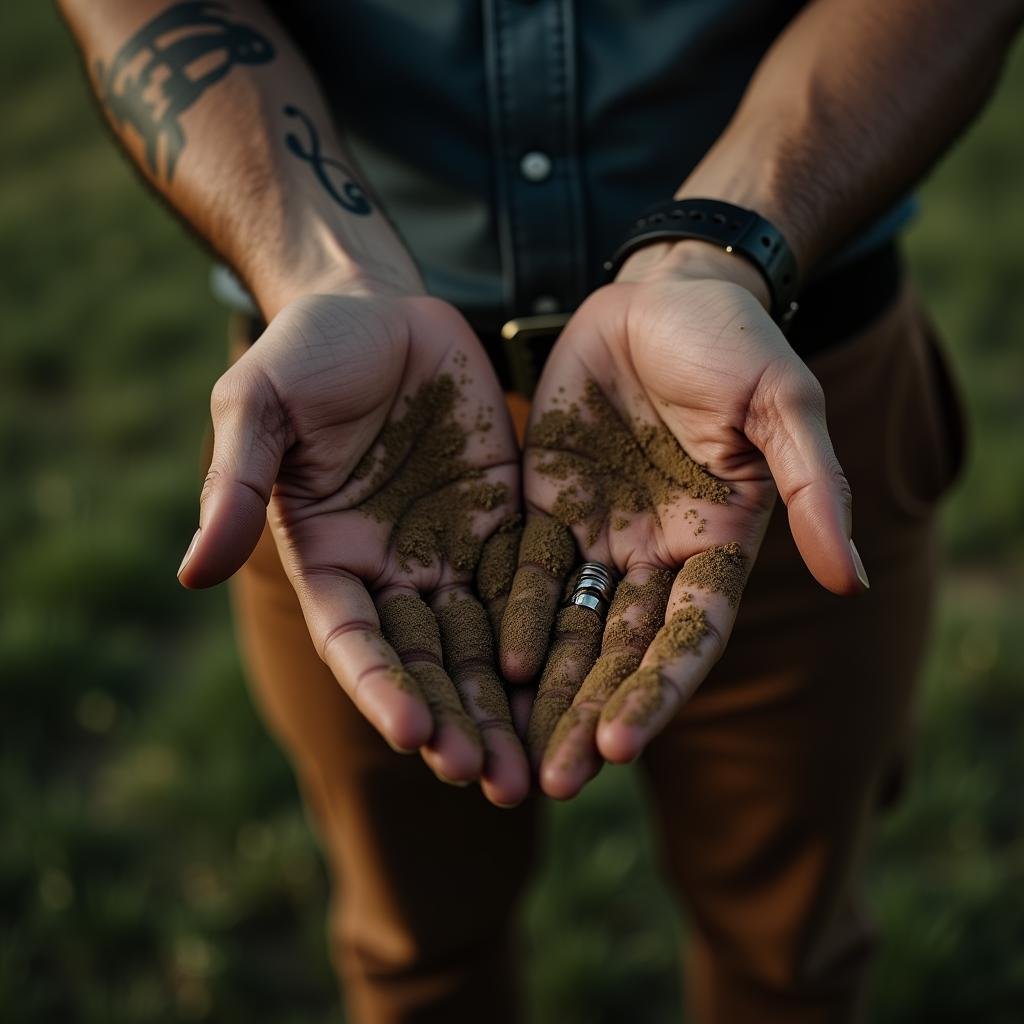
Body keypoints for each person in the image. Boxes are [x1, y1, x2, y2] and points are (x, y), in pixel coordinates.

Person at [58, 2, 1019, 1021]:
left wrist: (715, 248)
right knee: (413, 952)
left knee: (788, 954)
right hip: (357, 433)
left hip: (749, 399)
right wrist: (325, 269)